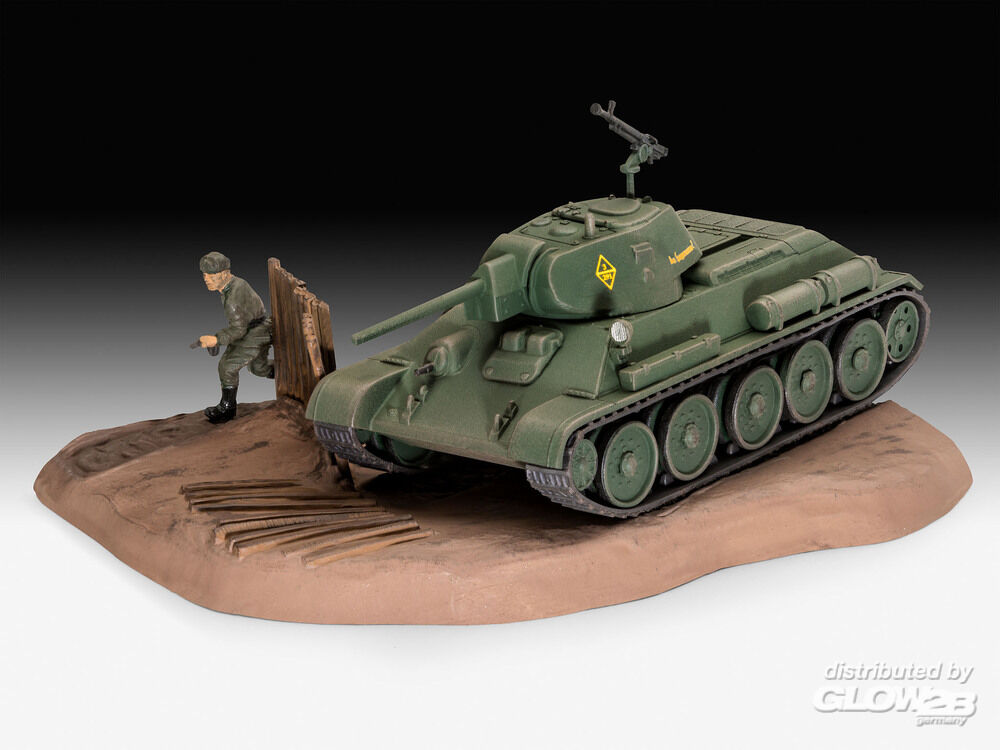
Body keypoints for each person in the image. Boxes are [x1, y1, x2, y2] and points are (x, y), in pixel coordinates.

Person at [197, 252, 274, 423]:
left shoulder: (232, 297)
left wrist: (216, 339)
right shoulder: (236, 283)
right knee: (258, 368)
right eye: (205, 275)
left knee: (227, 366)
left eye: (212, 275)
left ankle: (227, 408)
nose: (206, 279)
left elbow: (238, 330)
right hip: (259, 327)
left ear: (225, 273)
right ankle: (287, 373)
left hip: (255, 332)